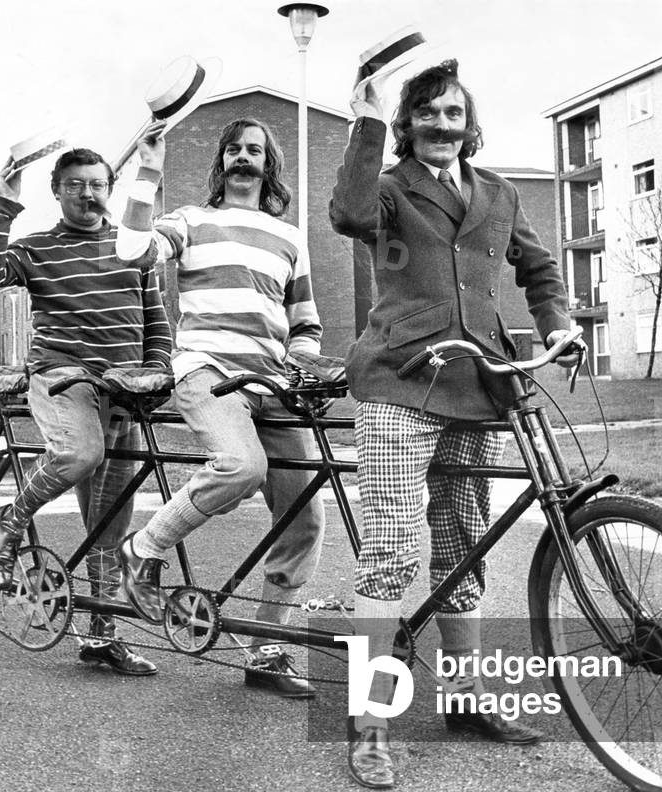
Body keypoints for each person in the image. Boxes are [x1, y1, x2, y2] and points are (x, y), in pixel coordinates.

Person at [329, 59, 580, 788]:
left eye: (454, 114)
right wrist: (366, 120)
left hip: (479, 382)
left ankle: (465, 698)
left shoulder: (497, 192)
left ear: (470, 127)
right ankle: (368, 721)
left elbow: (539, 271)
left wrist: (556, 325)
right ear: (406, 124)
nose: (442, 124)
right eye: (427, 113)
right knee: (390, 551)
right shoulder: (382, 186)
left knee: (462, 548)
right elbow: (346, 216)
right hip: (399, 381)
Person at [114, 117, 326, 699]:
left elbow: (305, 323)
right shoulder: (190, 220)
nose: (243, 157)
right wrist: (148, 170)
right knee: (240, 465)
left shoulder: (291, 237)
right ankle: (144, 548)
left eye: (255, 150)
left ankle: (267, 648)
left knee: (305, 514)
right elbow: (132, 250)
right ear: (221, 162)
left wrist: (303, 363)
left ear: (269, 165)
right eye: (234, 148)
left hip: (270, 382)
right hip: (205, 371)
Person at [0, 147, 173, 676]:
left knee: (110, 520)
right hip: (62, 378)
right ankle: (8, 523)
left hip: (122, 390)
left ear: (111, 189)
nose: (88, 194)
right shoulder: (37, 248)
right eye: (76, 184)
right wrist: (4, 206)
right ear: (57, 191)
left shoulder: (133, 247)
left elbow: (157, 322)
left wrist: (156, 371)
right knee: (79, 453)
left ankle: (102, 638)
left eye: (98, 184)